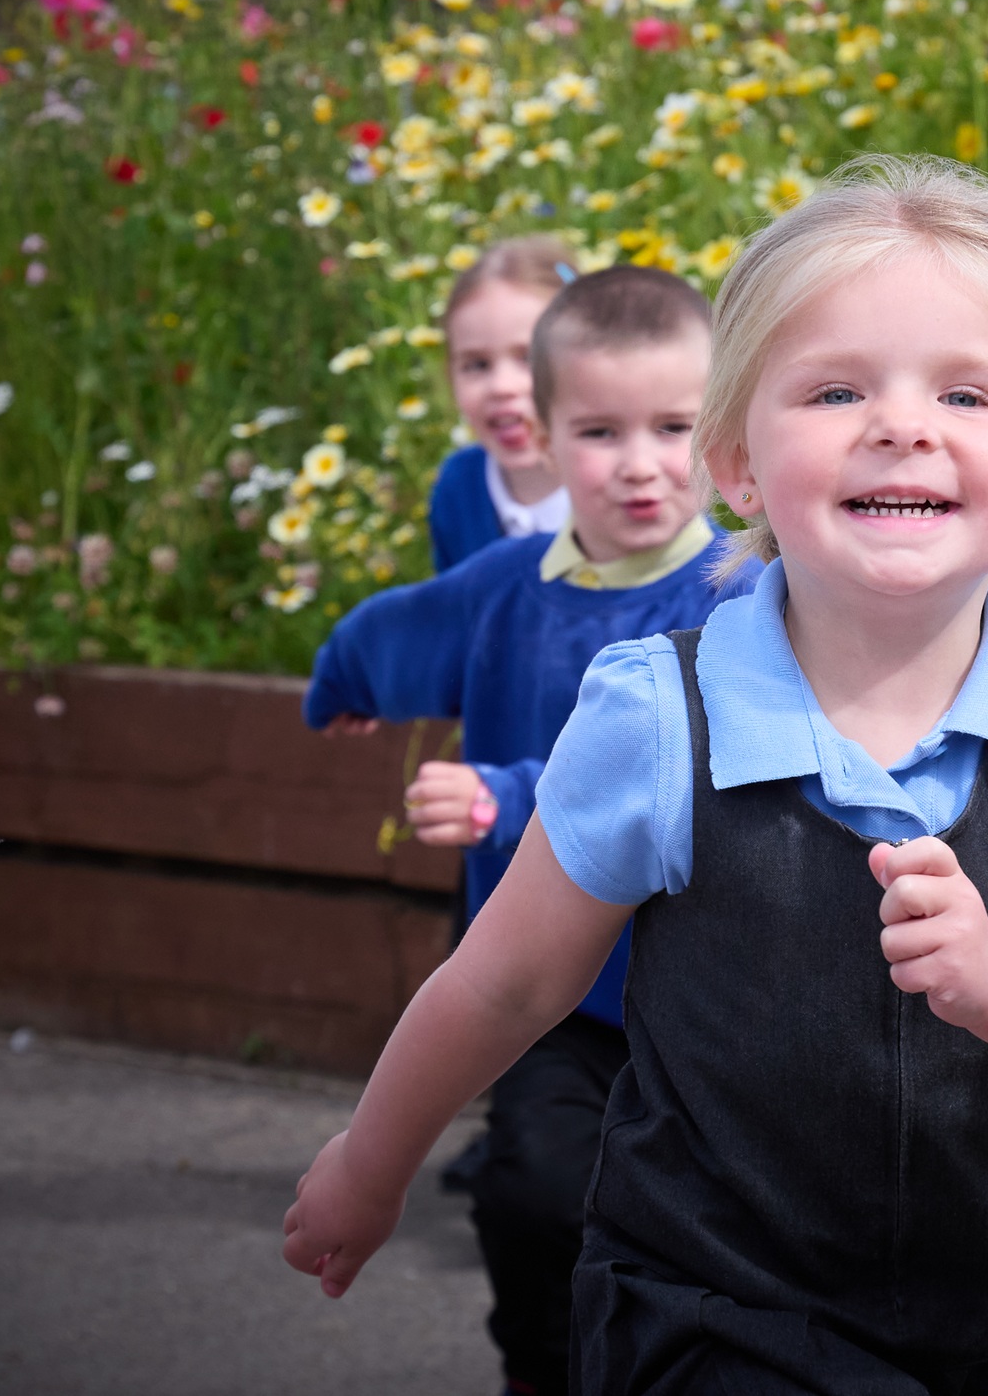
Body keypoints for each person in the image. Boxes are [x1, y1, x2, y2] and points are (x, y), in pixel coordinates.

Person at [286, 156, 988, 1394]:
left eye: (964, 391)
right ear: (735, 461)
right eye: (837, 388)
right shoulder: (659, 712)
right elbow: (501, 982)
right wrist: (370, 1164)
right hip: (707, 1319)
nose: (902, 423)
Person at [302, 264, 757, 1396]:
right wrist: (344, 682)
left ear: (720, 436)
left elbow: (686, 752)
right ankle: (545, 1375)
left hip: (703, 985)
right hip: (546, 987)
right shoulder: (508, 583)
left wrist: (508, 789)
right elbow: (399, 626)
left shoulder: (741, 596)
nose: (640, 462)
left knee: (713, 1227)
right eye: (599, 431)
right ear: (543, 442)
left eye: (671, 427)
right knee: (531, 1195)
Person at [430, 235, 574, 573]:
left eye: (529, 357)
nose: (501, 387)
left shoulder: (630, 487)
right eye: (476, 365)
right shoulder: (460, 486)